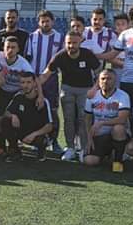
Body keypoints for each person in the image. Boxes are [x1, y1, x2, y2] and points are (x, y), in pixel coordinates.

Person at [39, 29, 101, 162]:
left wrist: (95, 88)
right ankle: (70, 148)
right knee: (68, 119)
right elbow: (45, 74)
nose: (71, 46)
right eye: (68, 43)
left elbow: (99, 73)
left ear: (80, 42)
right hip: (67, 89)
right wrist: (35, 86)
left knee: (83, 119)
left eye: (74, 43)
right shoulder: (60, 56)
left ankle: (83, 148)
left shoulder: (87, 54)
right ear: (65, 43)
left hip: (85, 90)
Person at [25, 10, 66, 154]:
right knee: (35, 109)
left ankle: (54, 142)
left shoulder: (60, 38)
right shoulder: (32, 37)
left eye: (47, 21)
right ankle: (38, 141)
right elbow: (28, 58)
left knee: (53, 110)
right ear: (38, 22)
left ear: (53, 22)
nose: (45, 24)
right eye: (42, 21)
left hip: (51, 80)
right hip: (34, 78)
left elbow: (62, 59)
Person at [0, 71, 54, 163]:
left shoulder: (43, 101)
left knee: (41, 139)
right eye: (23, 82)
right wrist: (13, 115)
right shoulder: (18, 97)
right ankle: (15, 151)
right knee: (4, 121)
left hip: (36, 133)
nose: (25, 85)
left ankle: (41, 153)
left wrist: (34, 134)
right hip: (22, 130)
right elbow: (6, 112)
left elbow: (49, 126)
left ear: (34, 83)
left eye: (28, 82)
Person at [82, 69, 131, 172]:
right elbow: (87, 119)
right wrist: (89, 138)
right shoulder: (92, 96)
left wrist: (102, 123)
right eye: (103, 78)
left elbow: (122, 119)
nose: (105, 81)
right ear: (99, 81)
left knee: (118, 128)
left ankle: (118, 162)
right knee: (89, 161)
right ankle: (108, 153)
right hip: (99, 135)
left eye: (109, 79)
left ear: (115, 81)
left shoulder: (123, 95)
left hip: (117, 134)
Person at [0, 36, 33, 155]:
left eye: (13, 47)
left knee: (15, 119)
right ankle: (1, 146)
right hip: (2, 91)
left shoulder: (24, 64)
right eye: (7, 47)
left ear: (18, 49)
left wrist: (40, 96)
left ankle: (13, 145)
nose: (10, 50)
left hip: (17, 93)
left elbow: (34, 80)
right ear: (3, 48)